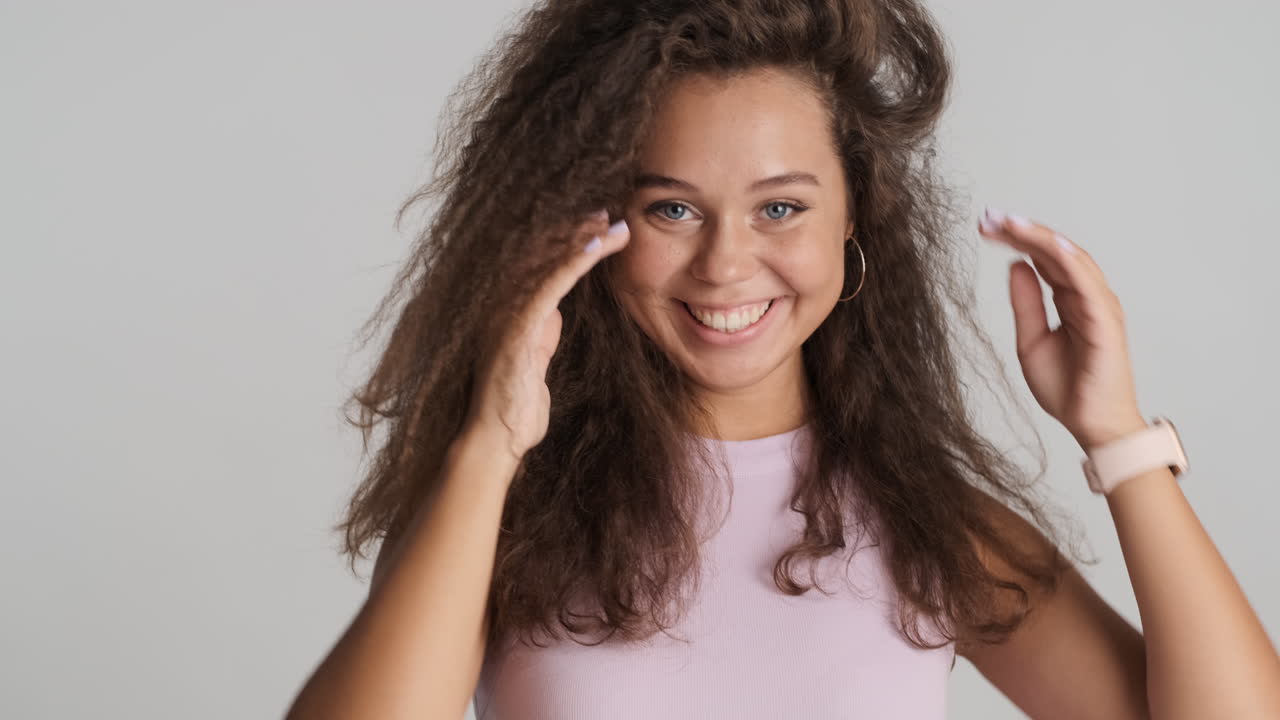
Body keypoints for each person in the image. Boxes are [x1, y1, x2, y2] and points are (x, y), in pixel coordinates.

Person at [285, 1, 1280, 718]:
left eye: (779, 208)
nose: (724, 263)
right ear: (595, 226)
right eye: (669, 207)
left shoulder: (926, 526)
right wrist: (490, 445)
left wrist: (1116, 438)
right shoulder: (506, 517)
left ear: (856, 223)